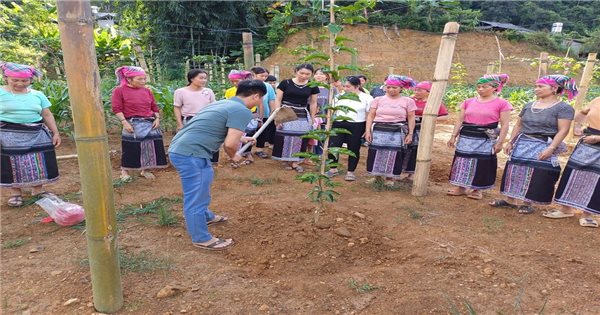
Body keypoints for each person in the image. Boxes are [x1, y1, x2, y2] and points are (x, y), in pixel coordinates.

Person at [168, 80, 266, 250]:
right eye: (261, 99)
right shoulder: (242, 111)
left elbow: (213, 126)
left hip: (182, 148)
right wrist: (234, 156)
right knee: (196, 195)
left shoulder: (223, 103)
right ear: (256, 95)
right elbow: (229, 144)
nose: (260, 102)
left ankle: (205, 216)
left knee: (201, 186)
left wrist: (241, 138)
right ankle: (201, 238)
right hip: (191, 154)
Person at [491, 75, 576, 214]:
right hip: (522, 142)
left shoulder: (563, 108)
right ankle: (510, 200)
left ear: (554, 88)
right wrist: (511, 141)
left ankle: (528, 202)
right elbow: (519, 124)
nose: (536, 89)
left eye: (541, 86)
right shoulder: (529, 105)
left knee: (536, 173)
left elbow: (563, 130)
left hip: (543, 143)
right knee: (515, 170)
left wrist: (551, 148)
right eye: (536, 86)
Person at [0, 62, 60, 207]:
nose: (20, 83)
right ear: (6, 77)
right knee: (11, 162)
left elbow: (46, 114)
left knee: (39, 161)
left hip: (35, 133)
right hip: (8, 134)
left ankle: (38, 190)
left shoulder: (38, 95)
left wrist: (56, 132)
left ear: (30, 80)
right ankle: (16, 193)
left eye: (24, 80)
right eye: (15, 80)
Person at [447, 74, 512, 200]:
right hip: (466, 136)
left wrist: (500, 142)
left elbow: (505, 125)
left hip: (485, 138)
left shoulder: (502, 103)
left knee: (482, 162)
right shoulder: (468, 102)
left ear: (494, 88)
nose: (480, 89)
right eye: (479, 86)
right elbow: (460, 120)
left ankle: (477, 189)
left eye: (484, 87)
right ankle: (461, 187)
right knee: (462, 160)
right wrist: (453, 136)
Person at [111, 66, 167, 181]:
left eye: (144, 79)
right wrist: (124, 122)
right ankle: (124, 171)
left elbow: (154, 106)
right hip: (132, 122)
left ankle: (145, 170)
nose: (143, 81)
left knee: (150, 147)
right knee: (131, 147)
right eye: (139, 79)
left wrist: (157, 119)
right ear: (129, 79)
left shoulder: (147, 91)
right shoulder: (119, 90)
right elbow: (117, 108)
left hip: (150, 122)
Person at [554, 96, 600, 227]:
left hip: (595, 139)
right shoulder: (597, 99)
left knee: (597, 180)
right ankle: (566, 208)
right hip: (587, 142)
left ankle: (588, 214)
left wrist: (598, 138)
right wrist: (578, 126)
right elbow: (583, 113)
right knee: (573, 173)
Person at [364, 75, 416, 187]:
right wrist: (368, 131)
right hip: (379, 130)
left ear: (401, 88)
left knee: (394, 153)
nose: (391, 90)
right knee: (376, 152)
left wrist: (410, 133)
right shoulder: (378, 100)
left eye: (394, 87)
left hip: (396, 131)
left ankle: (390, 178)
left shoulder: (408, 101)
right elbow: (371, 115)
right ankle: (376, 176)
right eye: (388, 87)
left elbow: (411, 117)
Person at [271, 63, 319, 172]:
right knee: (286, 136)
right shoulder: (285, 83)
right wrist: (278, 115)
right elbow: (278, 99)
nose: (304, 76)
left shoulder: (313, 85)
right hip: (286, 111)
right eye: (301, 73)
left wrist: (312, 118)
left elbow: (313, 102)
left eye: (307, 74)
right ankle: (286, 159)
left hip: (302, 113)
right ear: (296, 71)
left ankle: (295, 162)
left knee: (300, 137)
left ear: (311, 74)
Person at [326, 76, 373, 181]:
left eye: (348, 86)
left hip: (357, 125)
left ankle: (350, 171)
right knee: (333, 146)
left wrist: (367, 129)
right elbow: (331, 111)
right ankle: (333, 168)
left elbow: (369, 114)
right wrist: (328, 125)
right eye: (344, 86)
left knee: (353, 148)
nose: (345, 89)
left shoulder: (366, 98)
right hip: (338, 124)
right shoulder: (339, 96)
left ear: (357, 86)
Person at [402, 81, 448, 180]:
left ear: (428, 92)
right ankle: (402, 171)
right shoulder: (409, 100)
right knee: (404, 148)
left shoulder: (433, 102)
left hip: (423, 130)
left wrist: (427, 118)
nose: (416, 92)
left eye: (419, 90)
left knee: (417, 150)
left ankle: (413, 173)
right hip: (407, 127)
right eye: (416, 90)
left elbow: (445, 117)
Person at [173, 69, 219, 164]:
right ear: (192, 79)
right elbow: (177, 108)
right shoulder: (180, 92)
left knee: (211, 140)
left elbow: (214, 106)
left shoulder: (208, 91)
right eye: (201, 78)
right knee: (192, 141)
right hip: (190, 120)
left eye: (205, 78)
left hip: (208, 119)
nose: (204, 80)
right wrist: (179, 124)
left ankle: (211, 162)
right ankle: (194, 162)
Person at [225, 70, 262, 165]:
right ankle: (234, 154)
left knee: (249, 135)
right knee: (235, 136)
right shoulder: (229, 91)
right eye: (232, 81)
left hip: (251, 115)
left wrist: (260, 118)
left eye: (237, 81)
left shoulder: (250, 92)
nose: (234, 83)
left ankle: (247, 153)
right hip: (236, 116)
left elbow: (260, 105)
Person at [250, 66, 277, 159]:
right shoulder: (248, 85)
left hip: (264, 113)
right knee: (249, 132)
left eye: (266, 76)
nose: (264, 78)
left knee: (262, 132)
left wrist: (272, 113)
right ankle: (246, 151)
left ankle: (259, 149)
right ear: (254, 75)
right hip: (250, 113)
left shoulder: (268, 86)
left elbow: (272, 100)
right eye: (262, 76)